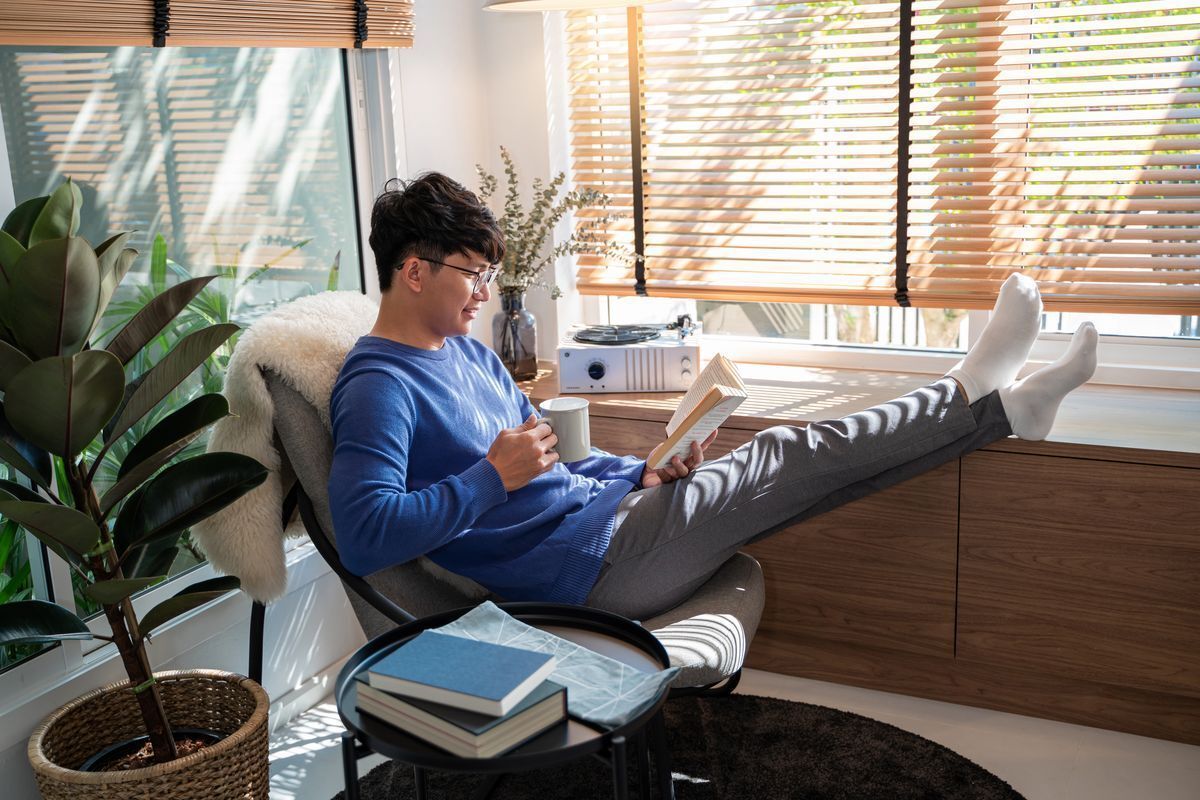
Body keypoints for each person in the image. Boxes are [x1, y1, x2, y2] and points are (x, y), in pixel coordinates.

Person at [328, 173, 1098, 621]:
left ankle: (1004, 413)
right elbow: (364, 537)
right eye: (473, 274)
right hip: (588, 573)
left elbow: (555, 472)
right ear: (414, 271)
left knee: (816, 484)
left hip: (604, 521)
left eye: (490, 277)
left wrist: (641, 471)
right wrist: (490, 477)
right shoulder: (378, 387)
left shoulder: (470, 353)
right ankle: (966, 388)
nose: (484, 293)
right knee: (784, 450)